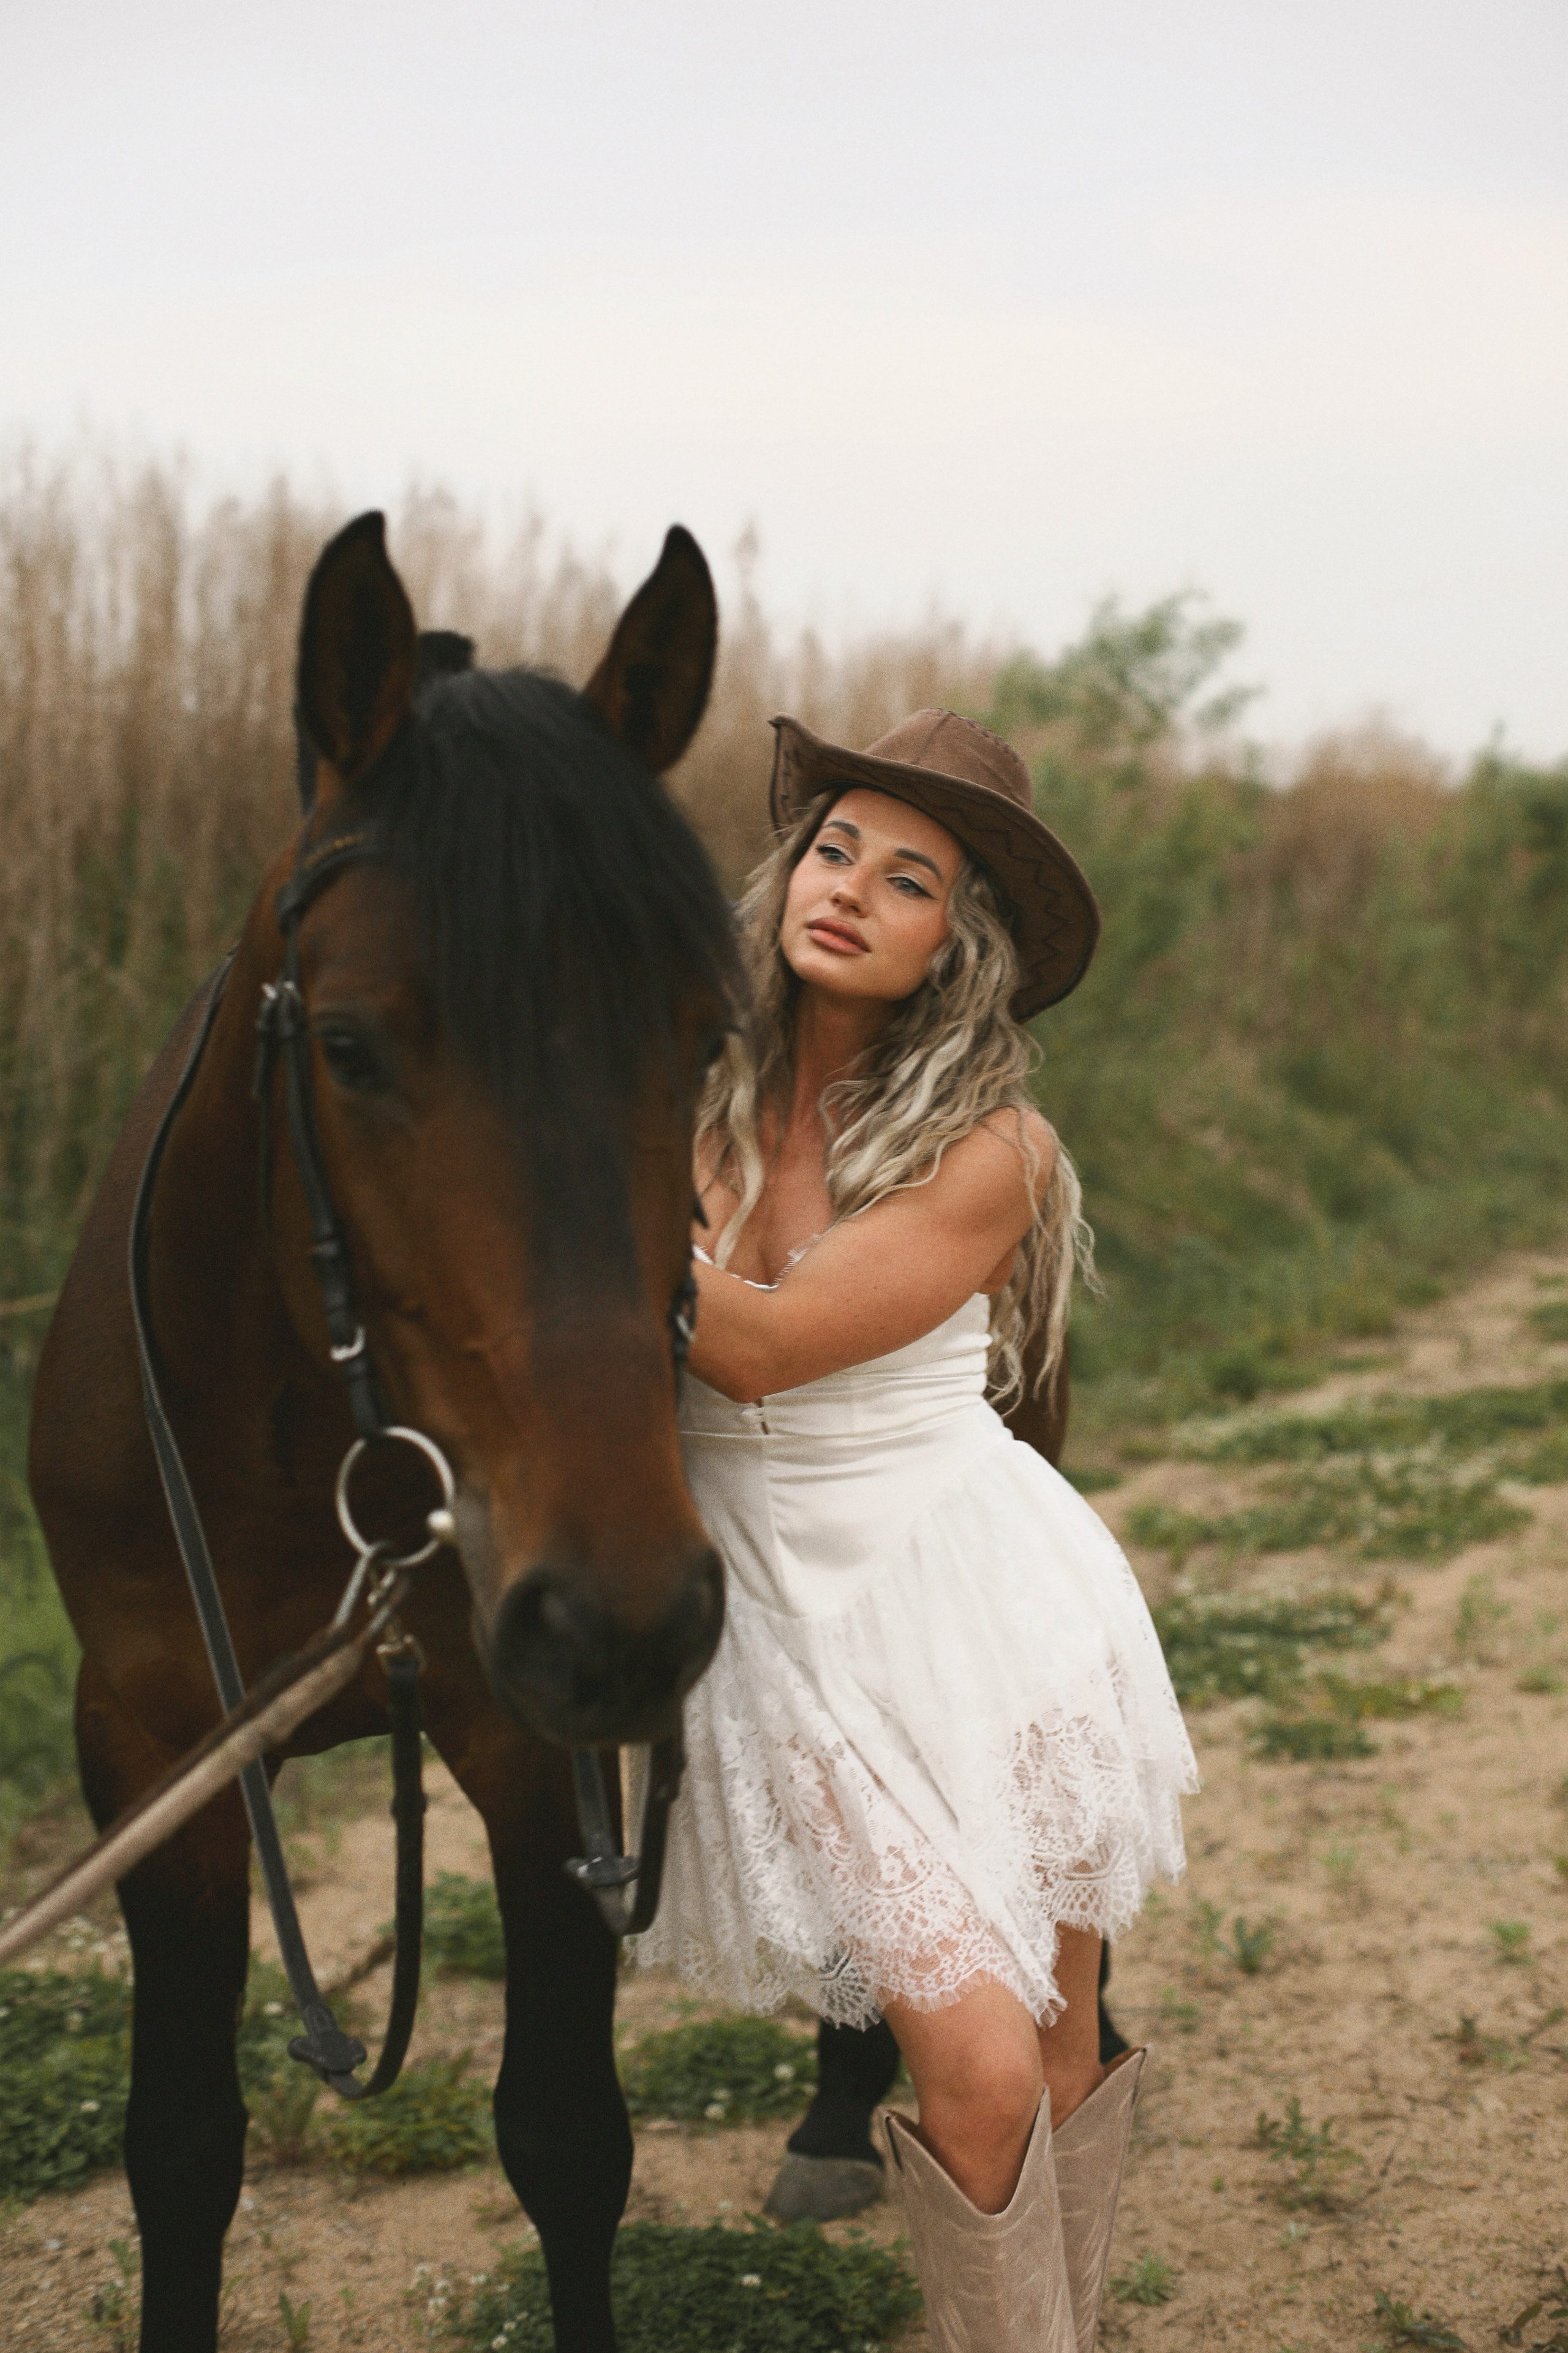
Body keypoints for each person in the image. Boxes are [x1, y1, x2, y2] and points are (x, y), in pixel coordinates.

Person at [628, 711, 1197, 2351]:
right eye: (832, 850)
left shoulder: (998, 1147)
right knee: (974, 2056)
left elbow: (756, 1345)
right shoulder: (689, 1092)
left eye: (909, 876)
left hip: (986, 1591)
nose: (851, 891)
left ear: (964, 936)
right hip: (791, 1631)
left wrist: (566, 1204)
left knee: (1061, 2029)